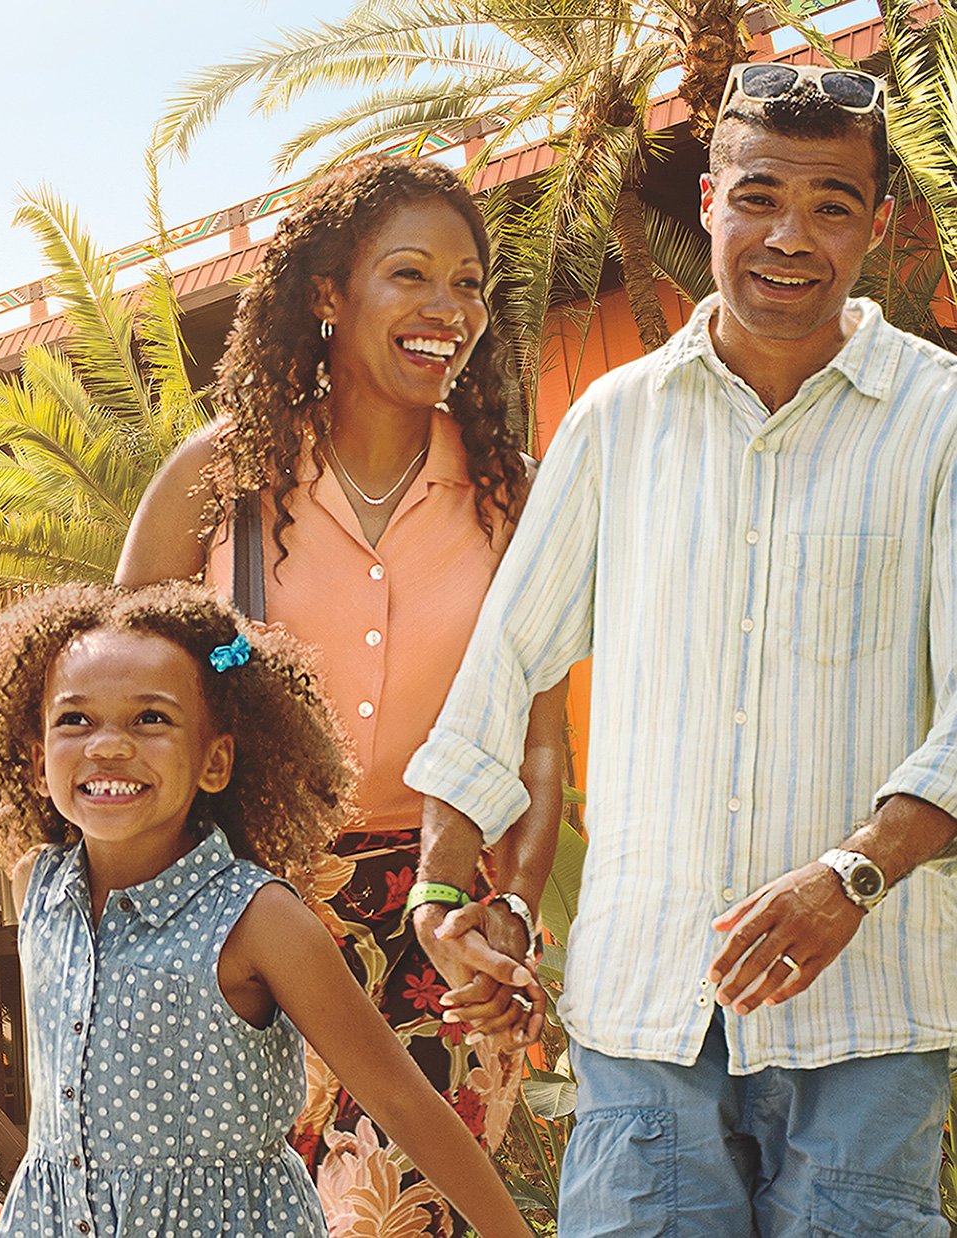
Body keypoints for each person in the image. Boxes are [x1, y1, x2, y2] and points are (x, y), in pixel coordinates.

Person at [405, 63, 957, 1234]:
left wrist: (851, 873)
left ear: (879, 223)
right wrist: (444, 884)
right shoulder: (614, 417)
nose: (788, 237)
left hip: (867, 1016)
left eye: (830, 204)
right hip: (644, 1017)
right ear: (708, 200)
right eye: (758, 196)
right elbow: (505, 660)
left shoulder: (941, 418)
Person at [117, 155, 566, 1231]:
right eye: (409, 275)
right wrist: (242, 668)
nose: (445, 310)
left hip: (444, 914)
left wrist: (511, 906)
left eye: (468, 285)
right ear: (328, 293)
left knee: (403, 1212)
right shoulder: (219, 474)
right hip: (246, 897)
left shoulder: (510, 495)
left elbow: (540, 748)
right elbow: (118, 682)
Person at [0, 582, 533, 1237]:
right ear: (36, 762)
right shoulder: (38, 886)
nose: (108, 745)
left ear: (215, 760)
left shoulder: (258, 920)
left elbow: (399, 1097)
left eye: (150, 719)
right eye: (75, 720)